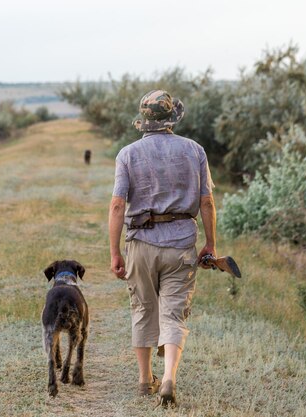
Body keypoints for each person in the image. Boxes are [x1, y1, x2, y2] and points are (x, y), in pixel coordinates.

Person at [108, 90, 217, 407]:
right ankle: (168, 377)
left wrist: (115, 252)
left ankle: (145, 381)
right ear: (171, 120)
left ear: (144, 121)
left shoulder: (127, 154)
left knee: (143, 308)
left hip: (141, 244)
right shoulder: (194, 151)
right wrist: (210, 243)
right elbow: (207, 202)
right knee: (173, 312)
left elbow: (117, 206)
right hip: (181, 243)